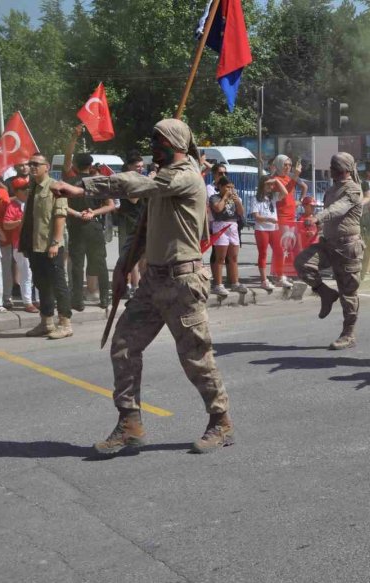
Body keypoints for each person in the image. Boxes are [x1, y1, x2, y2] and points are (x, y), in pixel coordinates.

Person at [50, 119, 233, 455]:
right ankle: (130, 424)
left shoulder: (184, 176)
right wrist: (123, 266)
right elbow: (144, 230)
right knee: (123, 345)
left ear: (175, 143)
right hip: (153, 280)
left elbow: (138, 183)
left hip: (183, 281)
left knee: (195, 357)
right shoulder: (160, 181)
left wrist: (82, 189)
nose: (153, 147)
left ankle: (220, 421)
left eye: (158, 141)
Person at [295, 153, 365, 350]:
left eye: (333, 167)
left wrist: (318, 218)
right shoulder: (333, 188)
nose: (330, 170)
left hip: (347, 247)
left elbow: (338, 209)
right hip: (328, 243)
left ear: (342, 169)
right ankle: (325, 293)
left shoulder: (353, 189)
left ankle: (348, 333)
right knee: (303, 263)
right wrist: (318, 227)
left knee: (348, 292)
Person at [19, 153, 73, 339]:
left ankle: (65, 323)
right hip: (35, 245)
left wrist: (56, 242)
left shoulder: (55, 187)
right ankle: (46, 322)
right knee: (42, 285)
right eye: (30, 164)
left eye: (36, 164)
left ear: (47, 167)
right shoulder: (33, 187)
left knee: (59, 285)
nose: (32, 167)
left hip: (51, 245)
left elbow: (60, 215)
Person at [62, 134, 115, 311]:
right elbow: (110, 205)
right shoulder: (98, 182)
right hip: (94, 227)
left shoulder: (69, 181)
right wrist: (93, 212)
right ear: (91, 166)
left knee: (77, 265)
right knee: (100, 263)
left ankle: (77, 300)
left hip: (76, 226)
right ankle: (104, 298)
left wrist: (73, 138)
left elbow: (62, 205)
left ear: (75, 166)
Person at [270, 154, 306, 288]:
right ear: (279, 164)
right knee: (282, 247)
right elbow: (286, 191)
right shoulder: (275, 179)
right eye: (285, 164)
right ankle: (278, 275)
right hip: (282, 218)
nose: (287, 167)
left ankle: (283, 273)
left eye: (289, 165)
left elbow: (294, 190)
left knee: (291, 247)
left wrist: (299, 201)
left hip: (291, 217)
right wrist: (295, 175)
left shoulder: (288, 178)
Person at [3, 177, 37, 312]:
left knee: (37, 272)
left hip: (36, 242)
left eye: (28, 188)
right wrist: (19, 222)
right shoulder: (13, 205)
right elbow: (6, 224)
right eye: (23, 189)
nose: (27, 191)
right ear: (16, 191)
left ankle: (38, 300)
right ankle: (28, 302)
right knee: (26, 273)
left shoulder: (32, 202)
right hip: (20, 244)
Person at [208, 176, 246, 294]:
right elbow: (218, 208)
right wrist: (225, 197)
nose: (230, 190)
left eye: (232, 187)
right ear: (220, 187)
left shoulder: (234, 198)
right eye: (228, 187)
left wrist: (237, 202)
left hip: (233, 225)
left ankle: (235, 282)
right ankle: (218, 284)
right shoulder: (214, 197)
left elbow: (241, 212)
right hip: (220, 226)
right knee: (220, 257)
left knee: (233, 257)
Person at [117, 154, 147, 298]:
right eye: (137, 166)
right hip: (128, 221)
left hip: (141, 220)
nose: (140, 169)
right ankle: (133, 286)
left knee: (143, 256)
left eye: (142, 166)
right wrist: (147, 183)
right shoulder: (124, 178)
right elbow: (133, 199)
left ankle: (140, 285)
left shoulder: (140, 179)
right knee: (130, 255)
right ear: (129, 166)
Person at [253, 176, 284, 292]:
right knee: (263, 253)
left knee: (279, 252)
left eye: (271, 185)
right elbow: (256, 216)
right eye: (268, 184)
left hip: (273, 229)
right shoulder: (256, 198)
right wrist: (268, 219)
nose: (271, 187)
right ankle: (264, 280)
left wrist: (277, 181)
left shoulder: (273, 197)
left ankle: (280, 277)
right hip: (261, 229)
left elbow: (284, 192)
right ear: (262, 185)